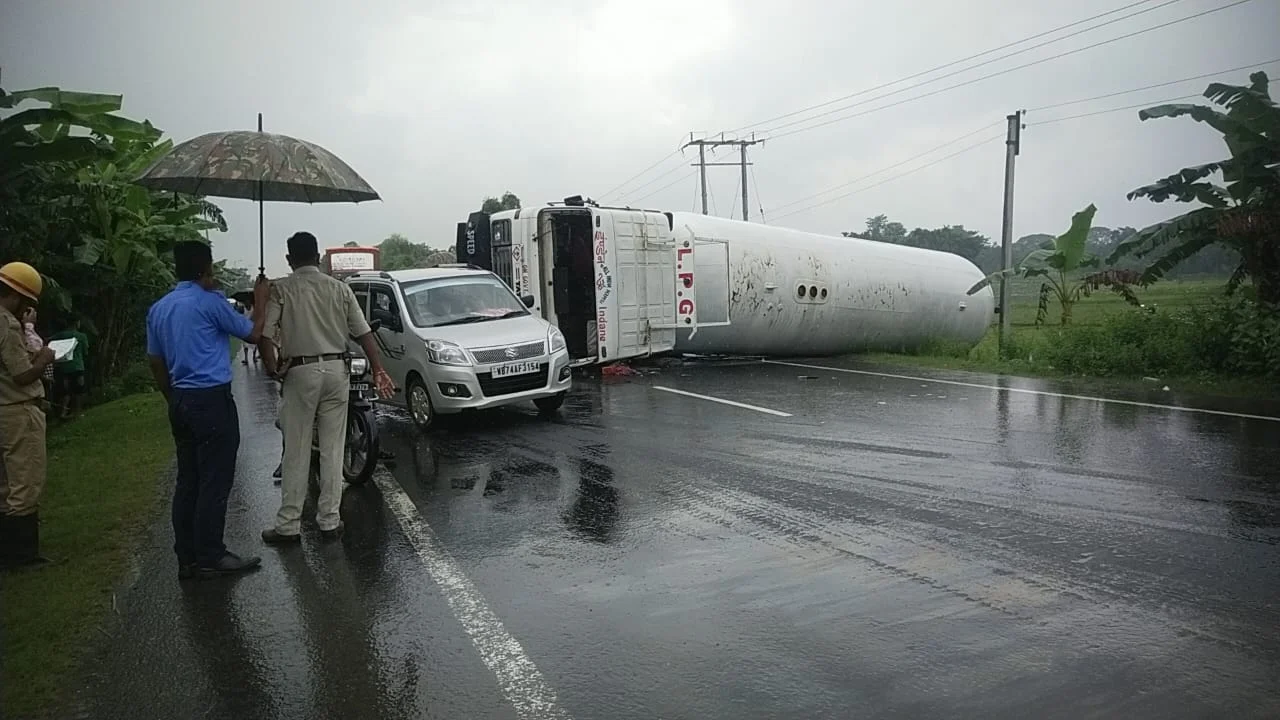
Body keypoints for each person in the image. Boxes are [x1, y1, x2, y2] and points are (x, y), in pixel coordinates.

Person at [258, 231, 393, 545]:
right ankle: (330, 521)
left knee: (297, 447)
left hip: (300, 371)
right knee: (334, 447)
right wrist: (378, 369)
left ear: (290, 260)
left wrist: (272, 369)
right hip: (337, 370)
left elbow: (265, 336)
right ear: (318, 257)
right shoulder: (339, 288)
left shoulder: (281, 289)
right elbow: (363, 333)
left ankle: (288, 525)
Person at [146, 241, 270, 580]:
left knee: (189, 480)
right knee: (215, 480)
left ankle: (186, 557)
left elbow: (156, 362)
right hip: (211, 399)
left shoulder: (159, 308)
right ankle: (211, 555)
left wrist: (172, 397)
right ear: (207, 268)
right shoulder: (210, 302)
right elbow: (254, 335)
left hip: (181, 399)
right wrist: (260, 301)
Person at [0, 261, 57, 569]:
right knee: (26, 482)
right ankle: (23, 556)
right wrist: (45, 357)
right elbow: (22, 376)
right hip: (17, 411)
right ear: (18, 296)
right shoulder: (6, 324)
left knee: (5, 485)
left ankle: (8, 552)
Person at [50, 317, 89, 419]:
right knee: (78, 390)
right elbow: (86, 351)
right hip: (77, 366)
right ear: (77, 323)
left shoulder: (59, 335)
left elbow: (50, 344)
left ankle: (63, 413)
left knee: (65, 391)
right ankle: (77, 412)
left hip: (63, 366)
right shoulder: (81, 336)